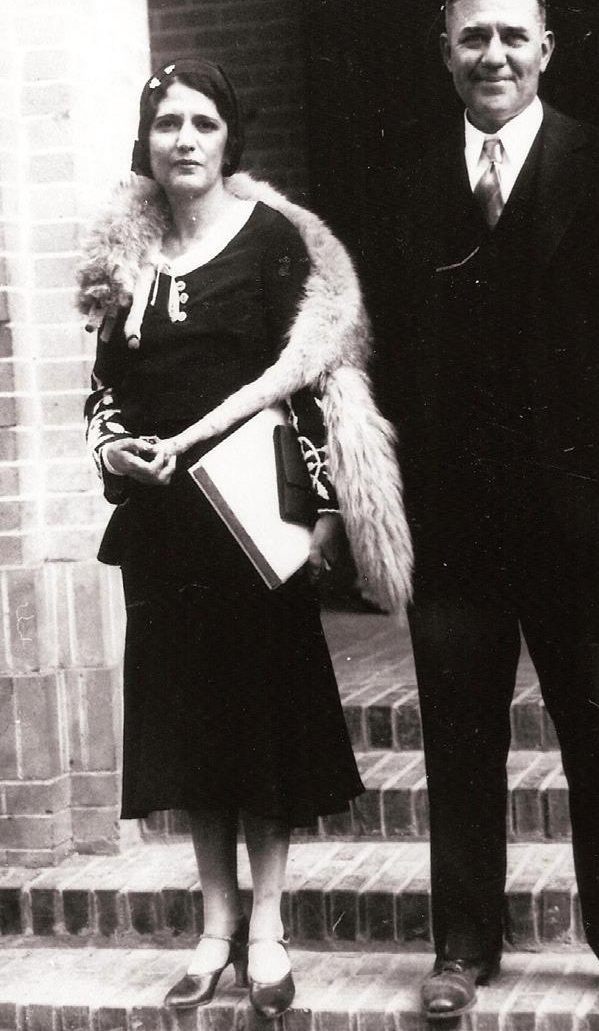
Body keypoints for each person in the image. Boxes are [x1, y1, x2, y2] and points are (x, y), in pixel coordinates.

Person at [77, 58, 412, 1017]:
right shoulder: (127, 254)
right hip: (164, 531)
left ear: (230, 138)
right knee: (192, 731)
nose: (184, 140)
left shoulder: (270, 241)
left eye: (203, 123)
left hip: (256, 527)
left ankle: (267, 926)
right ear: (146, 142)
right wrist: (116, 449)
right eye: (167, 124)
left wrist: (322, 511)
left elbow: (312, 382)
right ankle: (213, 926)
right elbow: (103, 390)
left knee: (262, 727)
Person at [380, 0, 599, 1022]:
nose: (493, 55)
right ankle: (463, 940)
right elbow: (383, 357)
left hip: (582, 523)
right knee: (460, 737)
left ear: (545, 49)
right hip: (455, 527)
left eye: (512, 36)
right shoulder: (409, 183)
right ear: (445, 52)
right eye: (473, 37)